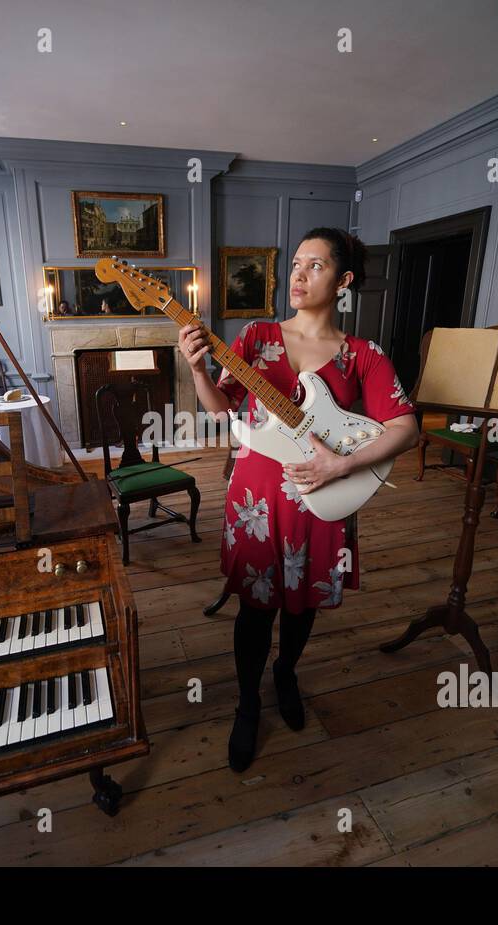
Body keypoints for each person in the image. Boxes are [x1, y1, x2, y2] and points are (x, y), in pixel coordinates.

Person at [179, 227, 419, 771]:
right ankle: (246, 704)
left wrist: (344, 463)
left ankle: (286, 672)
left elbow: (405, 427)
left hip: (326, 489)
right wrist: (196, 368)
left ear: (344, 280)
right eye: (295, 264)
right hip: (259, 497)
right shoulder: (256, 335)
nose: (298, 274)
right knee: (254, 607)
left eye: (315, 265)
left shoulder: (363, 353)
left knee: (305, 600)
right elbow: (222, 410)